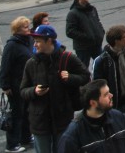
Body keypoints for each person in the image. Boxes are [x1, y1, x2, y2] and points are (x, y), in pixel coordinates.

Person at [20, 25, 91, 153]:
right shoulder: (31, 63)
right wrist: (34, 91)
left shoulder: (68, 58)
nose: (34, 45)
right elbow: (23, 90)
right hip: (40, 121)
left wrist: (71, 78)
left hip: (62, 118)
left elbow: (86, 76)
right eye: (34, 41)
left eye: (38, 41)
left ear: (49, 41)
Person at [56, 78, 125, 153]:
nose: (111, 95)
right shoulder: (72, 135)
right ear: (93, 103)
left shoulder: (120, 118)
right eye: (106, 94)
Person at [91, 25, 125, 133]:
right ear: (117, 41)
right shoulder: (102, 60)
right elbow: (97, 85)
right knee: (116, 135)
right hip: (113, 107)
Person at [0, 16, 35, 153]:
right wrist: (5, 86)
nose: (28, 29)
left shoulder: (29, 41)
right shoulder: (12, 45)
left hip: (27, 83)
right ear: (17, 30)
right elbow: (5, 66)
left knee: (27, 112)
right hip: (15, 86)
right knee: (16, 114)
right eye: (25, 27)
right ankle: (12, 144)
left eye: (28, 26)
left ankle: (26, 137)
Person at [66, 0, 105, 66]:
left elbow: (98, 22)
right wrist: (86, 37)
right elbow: (70, 31)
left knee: (103, 65)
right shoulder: (73, 13)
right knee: (83, 69)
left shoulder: (92, 9)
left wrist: (101, 32)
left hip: (96, 45)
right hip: (83, 48)